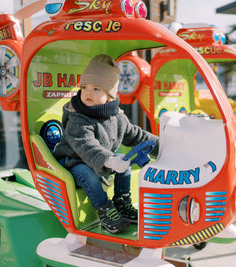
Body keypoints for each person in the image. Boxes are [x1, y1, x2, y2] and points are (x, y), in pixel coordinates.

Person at [53, 54, 159, 234]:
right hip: (72, 162)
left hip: (101, 160)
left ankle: (122, 202)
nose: (87, 92)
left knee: (124, 162)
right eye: (84, 87)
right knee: (88, 174)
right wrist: (109, 160)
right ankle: (105, 210)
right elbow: (87, 145)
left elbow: (136, 135)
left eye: (96, 89)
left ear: (110, 96)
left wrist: (161, 146)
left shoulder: (116, 117)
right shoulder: (78, 117)